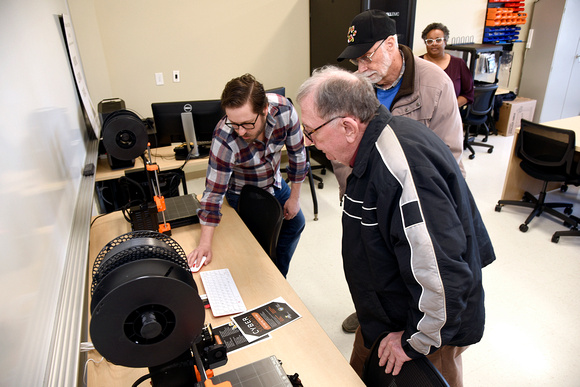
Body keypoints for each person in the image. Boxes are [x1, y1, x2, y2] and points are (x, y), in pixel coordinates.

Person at [296, 66, 495, 387]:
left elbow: (443, 274)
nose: (308, 142)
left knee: (433, 378)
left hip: (430, 327)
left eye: (311, 131)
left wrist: (413, 340)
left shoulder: (401, 168)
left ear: (347, 126)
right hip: (386, 311)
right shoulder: (368, 147)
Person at [335, 8, 466, 335]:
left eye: (367, 57)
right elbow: (340, 146)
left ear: (391, 44)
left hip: (416, 199)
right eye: (356, 61)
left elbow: (449, 155)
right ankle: (371, 312)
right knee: (371, 264)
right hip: (369, 197)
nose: (362, 69)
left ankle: (416, 328)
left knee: (413, 268)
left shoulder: (434, 83)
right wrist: (350, 187)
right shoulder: (357, 87)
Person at [187, 74, 307, 277]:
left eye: (247, 124)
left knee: (296, 224)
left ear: (264, 110)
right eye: (234, 123)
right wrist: (204, 244)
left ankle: (278, 274)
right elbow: (213, 193)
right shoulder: (224, 136)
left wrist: (294, 198)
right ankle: (266, 274)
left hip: (275, 183)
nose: (241, 131)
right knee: (256, 244)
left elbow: (297, 155)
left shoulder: (285, 110)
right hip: (243, 193)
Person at [420, 22, 474, 108]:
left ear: (445, 42)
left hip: (449, 114)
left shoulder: (458, 64)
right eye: (429, 41)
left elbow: (468, 94)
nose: (434, 44)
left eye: (438, 40)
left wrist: (450, 107)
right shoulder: (417, 63)